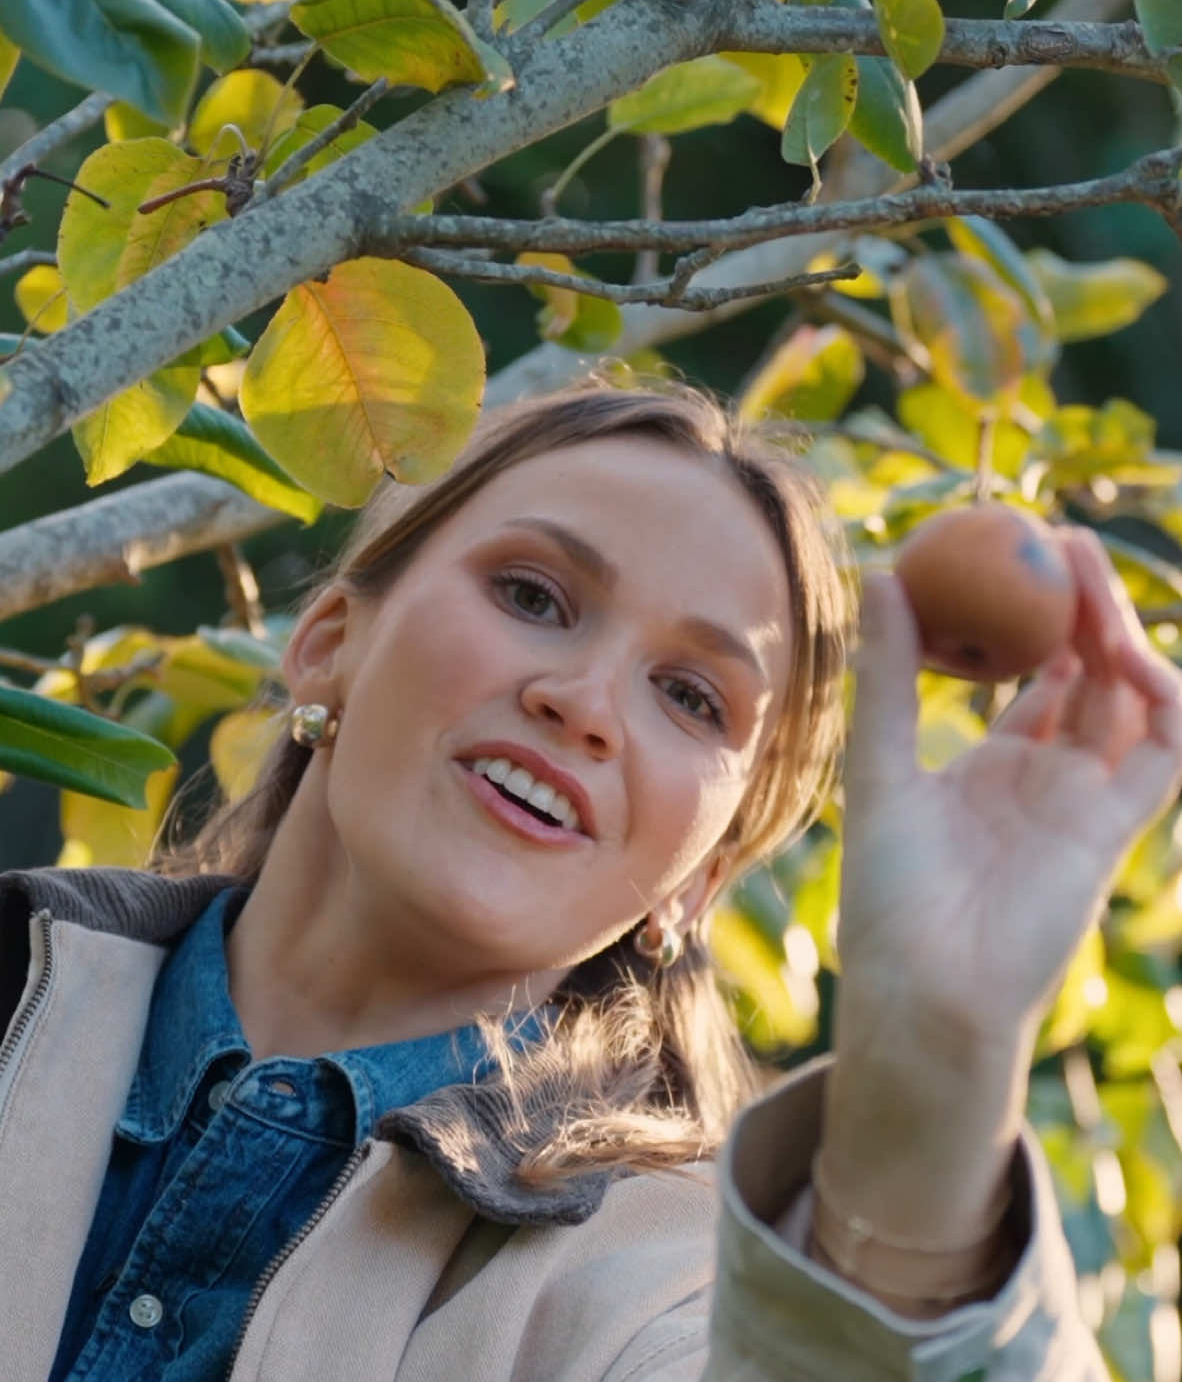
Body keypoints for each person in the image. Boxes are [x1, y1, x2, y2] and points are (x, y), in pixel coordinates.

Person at [2, 375, 1178, 1382]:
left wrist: (942, 1061)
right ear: (328, 643)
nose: (585, 703)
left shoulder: (679, 1298)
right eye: (532, 596)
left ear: (700, 880)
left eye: (690, 697)